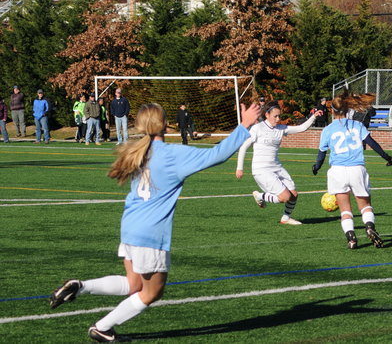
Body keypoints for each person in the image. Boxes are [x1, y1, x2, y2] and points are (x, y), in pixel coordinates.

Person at [48, 102, 260, 342]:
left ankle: (80, 286)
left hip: (130, 226)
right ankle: (102, 327)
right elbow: (217, 155)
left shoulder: (140, 150)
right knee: (151, 292)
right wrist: (244, 125)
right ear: (165, 123)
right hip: (150, 233)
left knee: (133, 284)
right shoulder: (171, 154)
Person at [311, 92, 392, 249]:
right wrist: (387, 157)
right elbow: (372, 143)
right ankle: (369, 227)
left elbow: (321, 154)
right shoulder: (357, 125)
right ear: (347, 109)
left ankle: (351, 238)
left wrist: (316, 167)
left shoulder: (327, 130)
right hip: (357, 169)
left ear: (332, 110)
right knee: (365, 205)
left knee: (345, 210)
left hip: (337, 171)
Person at [237, 101, 324, 225]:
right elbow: (244, 146)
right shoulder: (258, 128)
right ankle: (260, 196)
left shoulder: (281, 129)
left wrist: (314, 116)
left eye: (279, 116)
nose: (278, 119)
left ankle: (286, 218)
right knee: (285, 197)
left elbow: (301, 128)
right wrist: (239, 168)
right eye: (275, 116)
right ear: (267, 115)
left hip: (276, 167)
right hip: (261, 169)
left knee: (293, 195)